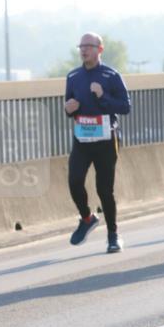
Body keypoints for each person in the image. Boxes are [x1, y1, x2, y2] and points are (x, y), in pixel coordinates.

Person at [64, 32, 132, 253]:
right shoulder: (73, 76)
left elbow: (125, 107)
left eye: (89, 46)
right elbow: (68, 106)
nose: (84, 50)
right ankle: (87, 218)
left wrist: (103, 96)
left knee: (104, 190)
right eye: (81, 46)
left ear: (99, 49)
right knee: (74, 181)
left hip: (106, 140)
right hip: (82, 139)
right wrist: (68, 108)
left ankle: (113, 235)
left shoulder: (111, 76)